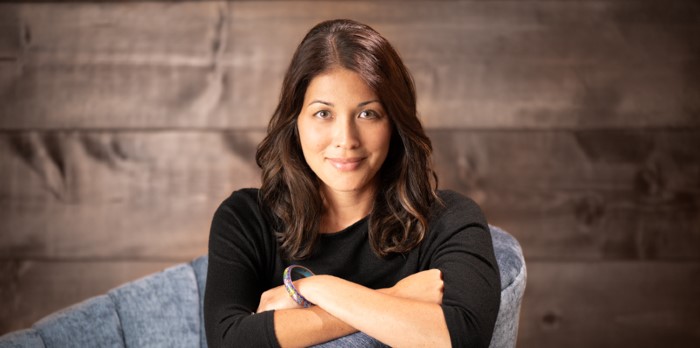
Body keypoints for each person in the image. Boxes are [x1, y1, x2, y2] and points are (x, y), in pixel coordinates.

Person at [204, 19, 501, 348]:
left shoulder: (450, 220)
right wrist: (396, 297)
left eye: (368, 114)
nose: (346, 140)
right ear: (296, 122)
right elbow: (229, 340)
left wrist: (311, 289)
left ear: (394, 124)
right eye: (322, 114)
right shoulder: (245, 219)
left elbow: (463, 337)